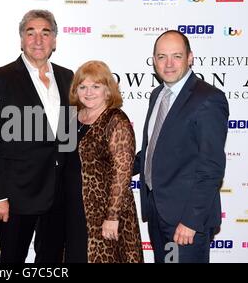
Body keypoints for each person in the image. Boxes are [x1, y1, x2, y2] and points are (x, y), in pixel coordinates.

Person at [0, 9, 73, 263]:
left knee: (52, 260)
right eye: (31, 33)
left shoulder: (68, 78)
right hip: (17, 194)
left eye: (46, 33)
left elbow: (69, 137)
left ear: (54, 40)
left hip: (59, 193)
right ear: (21, 39)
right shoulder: (1, 78)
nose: (38, 40)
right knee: (12, 260)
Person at [133, 30, 229, 263]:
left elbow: (211, 168)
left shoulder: (208, 98)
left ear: (190, 58)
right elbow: (152, 151)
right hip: (158, 213)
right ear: (153, 59)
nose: (168, 64)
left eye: (176, 56)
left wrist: (191, 221)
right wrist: (114, 166)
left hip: (185, 221)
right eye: (161, 56)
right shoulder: (157, 95)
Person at [68, 60, 144, 263]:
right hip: (72, 211)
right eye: (82, 86)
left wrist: (112, 216)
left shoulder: (116, 120)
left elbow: (123, 172)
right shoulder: (71, 117)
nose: (88, 92)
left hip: (104, 213)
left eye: (96, 86)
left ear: (108, 90)